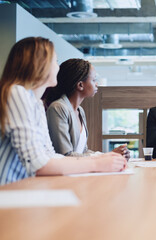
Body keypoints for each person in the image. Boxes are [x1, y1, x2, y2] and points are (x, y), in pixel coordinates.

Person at [0, 37, 127, 185]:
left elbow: (50, 155)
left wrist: (100, 159)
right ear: (39, 64)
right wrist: (96, 164)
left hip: (26, 188)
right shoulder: (17, 93)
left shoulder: (37, 104)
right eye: (55, 61)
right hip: (9, 191)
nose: (57, 67)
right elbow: (37, 164)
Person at [43, 58, 130, 160]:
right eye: (93, 80)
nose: (96, 84)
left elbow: (83, 152)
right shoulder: (58, 108)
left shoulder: (80, 110)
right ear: (80, 85)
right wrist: (106, 156)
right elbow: (65, 155)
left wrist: (112, 155)